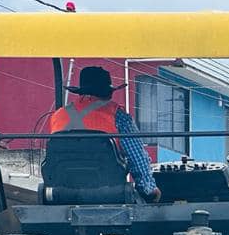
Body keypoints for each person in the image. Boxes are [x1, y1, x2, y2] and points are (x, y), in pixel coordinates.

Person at [48, 66, 161, 200]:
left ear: (81, 91)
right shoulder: (119, 116)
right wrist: (149, 189)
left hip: (64, 191)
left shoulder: (58, 115)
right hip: (109, 192)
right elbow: (137, 157)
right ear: (108, 92)